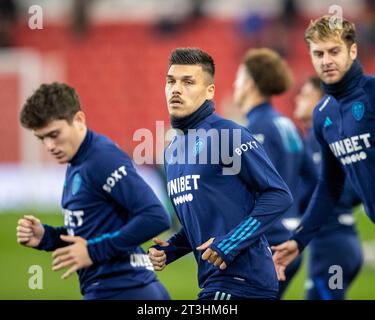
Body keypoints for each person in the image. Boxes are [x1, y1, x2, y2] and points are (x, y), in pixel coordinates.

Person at [148, 47, 293, 300]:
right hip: (216, 281)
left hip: (243, 281)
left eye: (188, 82)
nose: (176, 89)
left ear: (209, 91)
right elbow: (202, 223)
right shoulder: (172, 152)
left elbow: (278, 194)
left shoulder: (227, 135)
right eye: (171, 81)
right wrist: (171, 249)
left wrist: (230, 243)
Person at [16, 83, 171, 300]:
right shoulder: (77, 162)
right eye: (42, 138)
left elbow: (156, 216)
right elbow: (91, 232)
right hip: (116, 288)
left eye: (54, 134)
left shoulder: (101, 158)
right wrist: (46, 236)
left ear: (79, 120)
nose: (49, 145)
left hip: (124, 289)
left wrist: (92, 251)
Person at [272, 15, 375, 281]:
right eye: (318, 53)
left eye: (334, 51)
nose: (326, 60)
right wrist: (300, 239)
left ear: (352, 50)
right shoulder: (322, 114)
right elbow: (330, 184)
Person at [233, 47, 316, 298]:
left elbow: (250, 189)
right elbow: (313, 180)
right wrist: (291, 217)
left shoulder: (256, 128)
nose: (235, 84)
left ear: (249, 83)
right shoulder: (285, 123)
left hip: (269, 245)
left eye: (239, 77)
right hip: (289, 239)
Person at [294, 77, 363, 299]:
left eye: (305, 94)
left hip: (332, 244)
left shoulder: (318, 139)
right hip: (338, 241)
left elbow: (321, 186)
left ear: (319, 101)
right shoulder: (317, 139)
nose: (298, 99)